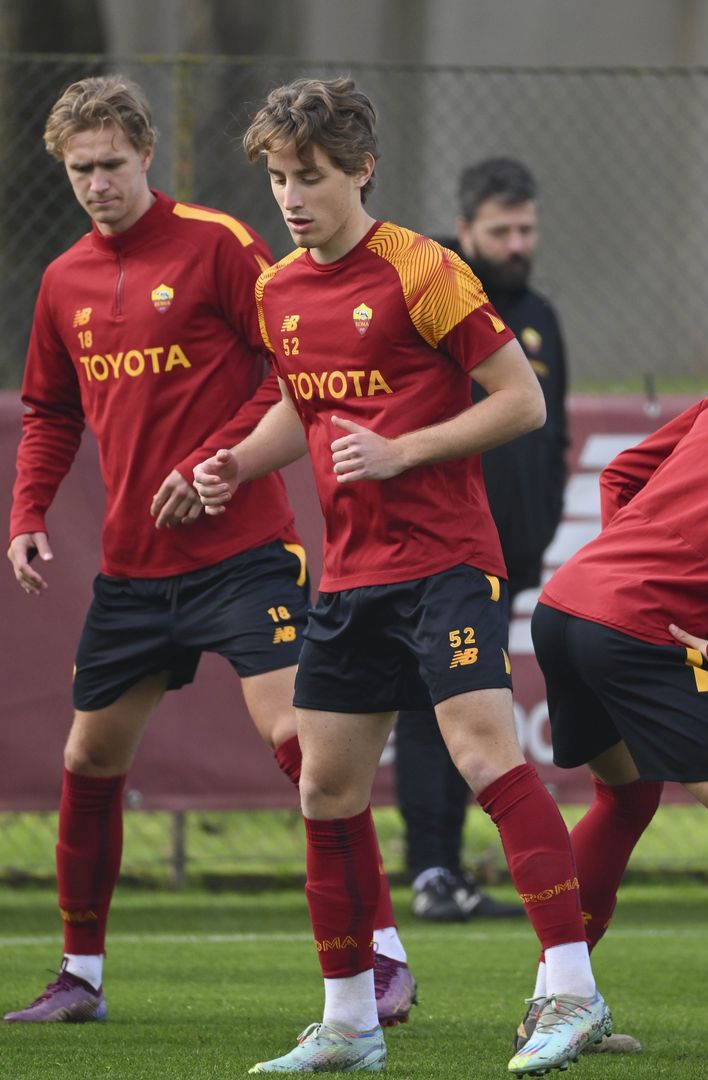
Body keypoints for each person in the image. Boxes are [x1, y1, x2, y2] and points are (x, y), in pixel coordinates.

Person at [193, 76, 611, 1076]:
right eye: (280, 180)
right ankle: (349, 1023)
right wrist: (239, 461)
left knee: (483, 758)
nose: (291, 198)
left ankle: (571, 991)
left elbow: (519, 403)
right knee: (326, 789)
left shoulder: (424, 270)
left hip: (448, 564)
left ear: (362, 169)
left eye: (312, 178)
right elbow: (304, 403)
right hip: (352, 576)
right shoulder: (278, 287)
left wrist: (404, 449)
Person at [4, 74, 413, 1028]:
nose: (97, 183)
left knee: (304, 750)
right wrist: (27, 511)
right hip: (133, 571)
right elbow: (53, 411)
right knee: (90, 759)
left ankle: (384, 955)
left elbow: (293, 367)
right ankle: (80, 976)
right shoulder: (62, 280)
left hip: (244, 554)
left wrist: (217, 460)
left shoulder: (221, 245)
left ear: (147, 153)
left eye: (111, 163)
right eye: (78, 169)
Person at [515, 386, 708, 1054]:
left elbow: (623, 472)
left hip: (569, 603)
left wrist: (626, 567)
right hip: (638, 626)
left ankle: (554, 1004)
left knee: (627, 796)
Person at [396, 157, 567, 924]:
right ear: (464, 230)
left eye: (526, 228)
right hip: (434, 549)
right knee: (435, 713)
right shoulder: (430, 296)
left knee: (467, 716)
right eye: (500, 230)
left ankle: (443, 872)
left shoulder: (540, 316)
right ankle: (431, 870)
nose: (517, 242)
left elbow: (548, 432)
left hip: (505, 560)